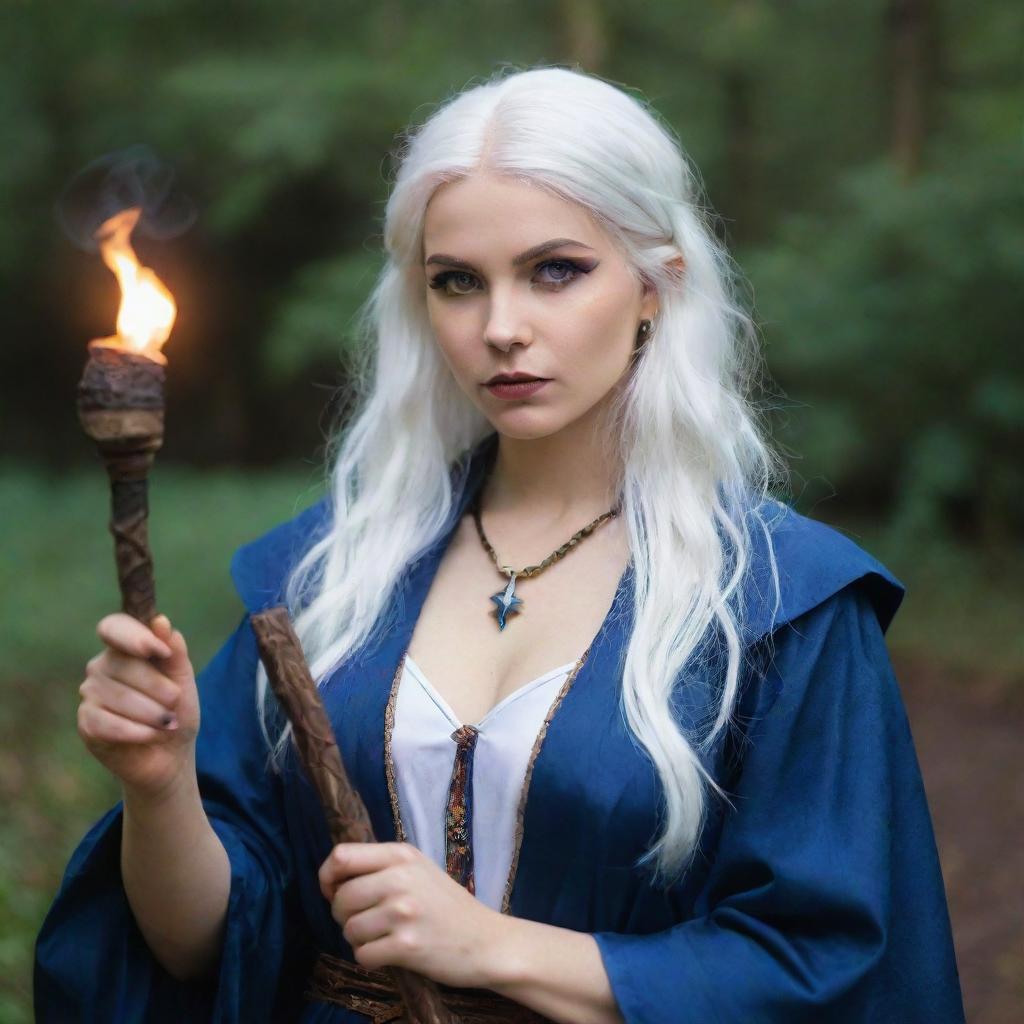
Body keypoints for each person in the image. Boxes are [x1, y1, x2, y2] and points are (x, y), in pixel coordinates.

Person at [34, 65, 965, 1023]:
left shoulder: (782, 604)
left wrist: (496, 947)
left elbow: (828, 964)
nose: (501, 329)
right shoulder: (326, 577)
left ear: (657, 287)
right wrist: (161, 788)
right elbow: (206, 946)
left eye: (556, 270)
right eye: (457, 283)